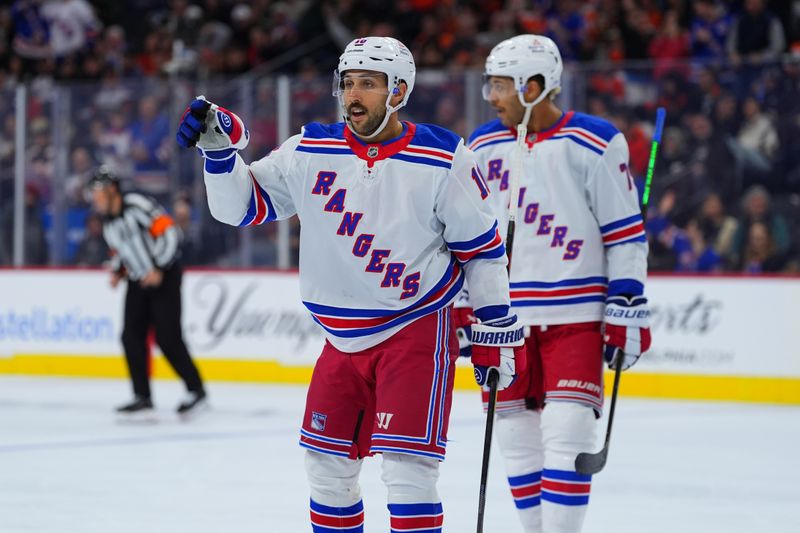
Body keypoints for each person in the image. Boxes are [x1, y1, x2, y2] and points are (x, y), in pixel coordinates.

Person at [176, 36, 525, 533]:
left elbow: (483, 252)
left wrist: (495, 331)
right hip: (339, 341)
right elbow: (239, 207)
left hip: (416, 331)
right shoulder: (310, 148)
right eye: (348, 83)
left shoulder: (444, 157)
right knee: (327, 472)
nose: (353, 95)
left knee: (407, 477)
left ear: (399, 91)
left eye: (368, 83)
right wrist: (219, 152)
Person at [463, 35, 652, 533]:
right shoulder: (481, 146)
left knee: (567, 433)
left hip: (577, 317)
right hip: (504, 322)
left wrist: (627, 299)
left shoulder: (595, 140)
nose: (492, 97)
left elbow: (626, 233)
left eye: (500, 86)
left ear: (535, 86)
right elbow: (464, 237)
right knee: (515, 438)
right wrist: (464, 307)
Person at [88, 167, 207, 419]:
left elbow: (169, 232)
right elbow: (122, 251)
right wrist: (118, 271)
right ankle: (142, 396)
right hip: (138, 280)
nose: (94, 197)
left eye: (98, 192)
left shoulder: (137, 205)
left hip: (165, 276)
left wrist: (159, 267)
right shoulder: (108, 222)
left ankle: (196, 390)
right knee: (130, 336)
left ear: (112, 191)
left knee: (168, 338)